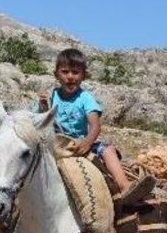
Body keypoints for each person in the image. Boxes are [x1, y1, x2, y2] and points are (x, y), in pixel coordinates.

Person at [39, 48, 155, 206]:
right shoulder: (51, 97)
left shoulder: (85, 98)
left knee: (107, 150)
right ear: (56, 74)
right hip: (57, 143)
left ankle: (124, 186)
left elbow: (95, 126)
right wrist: (44, 107)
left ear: (83, 76)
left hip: (81, 142)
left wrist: (87, 143)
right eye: (65, 72)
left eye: (75, 72)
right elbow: (41, 121)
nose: (70, 77)